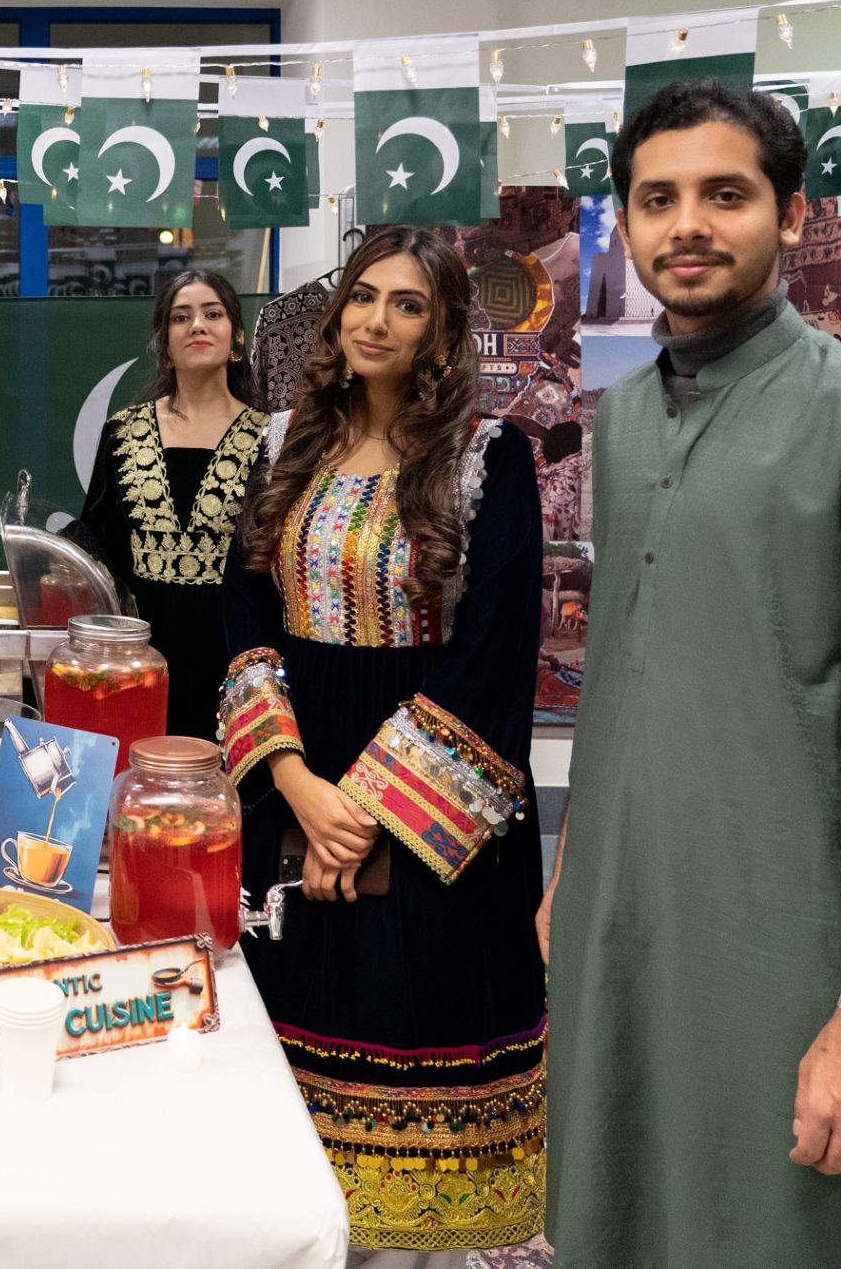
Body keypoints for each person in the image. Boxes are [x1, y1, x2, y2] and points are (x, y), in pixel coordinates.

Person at [539, 79, 841, 1268]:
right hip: (629, 930)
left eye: (724, 194)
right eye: (657, 199)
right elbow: (628, 668)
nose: (686, 224)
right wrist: (572, 874)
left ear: (790, 214)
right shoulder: (625, 421)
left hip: (800, 953)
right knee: (624, 1213)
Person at [221, 226, 546, 1263]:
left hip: (432, 816)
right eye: (364, 296)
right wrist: (296, 785)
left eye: (408, 305)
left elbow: (495, 654)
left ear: (442, 330)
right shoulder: (280, 447)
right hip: (296, 793)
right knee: (285, 1060)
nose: (377, 320)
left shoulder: (492, 458)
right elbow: (243, 622)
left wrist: (361, 816)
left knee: (412, 1046)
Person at [79, 269, 268, 739]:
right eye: (181, 317)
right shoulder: (124, 432)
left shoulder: (271, 438)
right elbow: (98, 544)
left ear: (237, 335)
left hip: (239, 651)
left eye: (213, 314)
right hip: (141, 655)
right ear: (164, 342)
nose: (197, 325)